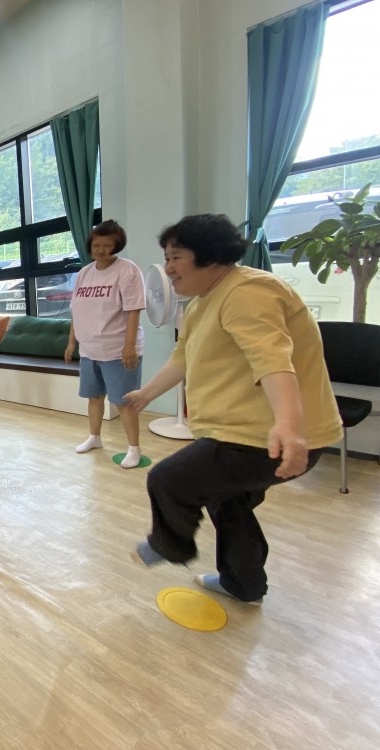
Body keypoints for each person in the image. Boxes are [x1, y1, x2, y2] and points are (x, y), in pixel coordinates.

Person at [126, 214, 342, 604]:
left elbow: (272, 359)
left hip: (267, 438)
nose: (168, 268)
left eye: (176, 257)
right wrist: (146, 394)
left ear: (210, 255)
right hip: (243, 432)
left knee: (169, 479)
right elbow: (182, 358)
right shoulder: (201, 305)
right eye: (166, 258)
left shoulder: (247, 292)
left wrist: (289, 426)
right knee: (228, 502)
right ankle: (243, 584)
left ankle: (170, 545)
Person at [64, 220, 146, 469]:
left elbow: (133, 310)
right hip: (89, 350)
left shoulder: (127, 271)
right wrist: (71, 342)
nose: (100, 250)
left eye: (107, 245)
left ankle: (134, 449)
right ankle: (95, 437)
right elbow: (76, 311)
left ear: (116, 246)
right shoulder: (84, 273)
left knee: (124, 402)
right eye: (96, 245)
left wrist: (129, 346)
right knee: (94, 397)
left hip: (118, 350)